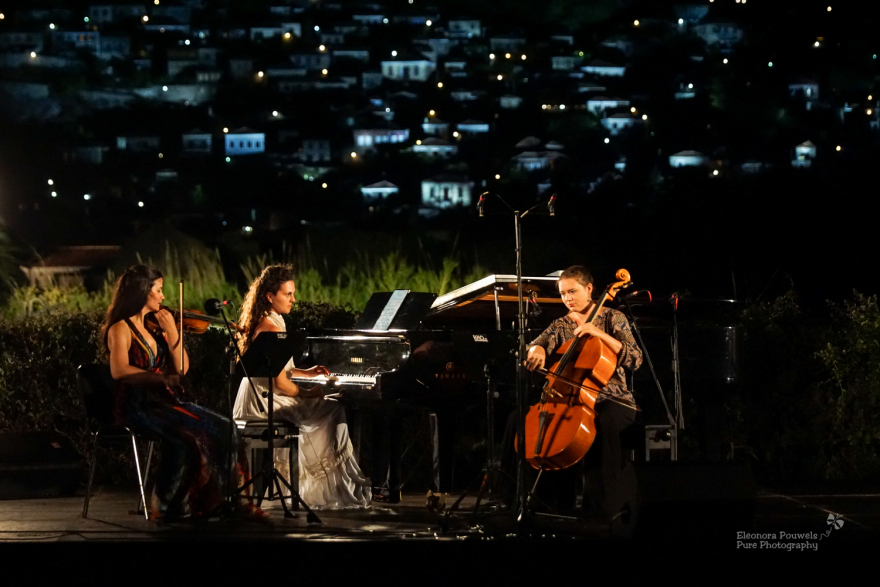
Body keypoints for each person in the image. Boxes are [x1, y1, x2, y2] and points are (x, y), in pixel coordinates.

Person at [103, 264, 262, 520]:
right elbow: (119, 370)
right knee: (190, 436)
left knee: (226, 427)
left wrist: (173, 333)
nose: (163, 296)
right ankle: (172, 505)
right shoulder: (120, 328)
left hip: (165, 402)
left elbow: (183, 368)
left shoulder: (156, 328)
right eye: (159, 290)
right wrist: (162, 377)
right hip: (138, 406)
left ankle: (235, 501)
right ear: (143, 292)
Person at [233, 264, 372, 509]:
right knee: (333, 409)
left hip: (260, 392)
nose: (293, 300)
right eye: (288, 294)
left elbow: (277, 368)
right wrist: (309, 393)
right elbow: (281, 383)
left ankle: (315, 484)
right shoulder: (271, 327)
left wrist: (305, 372)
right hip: (263, 399)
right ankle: (324, 488)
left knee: (327, 406)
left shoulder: (270, 320)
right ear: (269, 296)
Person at [523, 265, 642, 528]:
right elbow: (538, 343)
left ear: (589, 289)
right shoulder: (560, 324)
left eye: (573, 292)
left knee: (605, 422)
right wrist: (537, 349)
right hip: (573, 400)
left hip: (614, 399)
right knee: (519, 420)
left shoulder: (613, 318)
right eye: (563, 294)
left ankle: (602, 508)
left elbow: (635, 359)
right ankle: (548, 505)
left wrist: (599, 334)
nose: (568, 298)